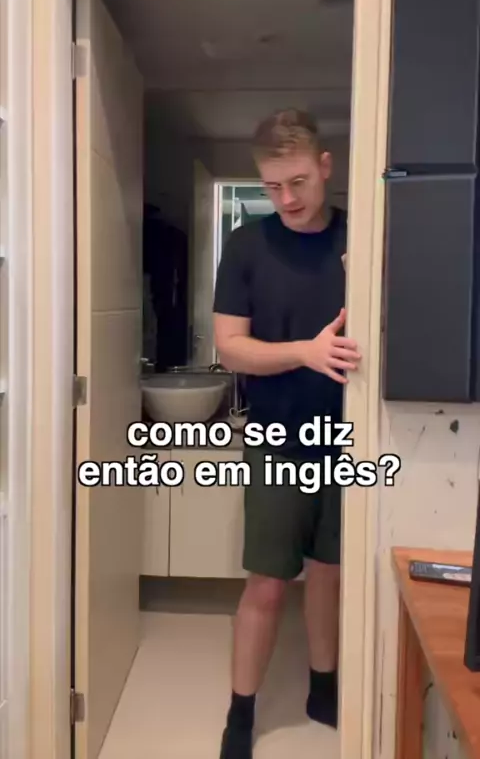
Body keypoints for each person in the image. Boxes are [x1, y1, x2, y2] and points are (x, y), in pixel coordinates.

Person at [212, 109, 361, 759]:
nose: (288, 198)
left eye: (298, 181)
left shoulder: (362, 237)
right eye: (273, 186)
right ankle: (240, 715)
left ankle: (323, 690)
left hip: (352, 441)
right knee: (269, 582)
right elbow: (230, 347)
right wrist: (304, 351)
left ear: (325, 166)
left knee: (329, 572)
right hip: (277, 438)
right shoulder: (247, 245)